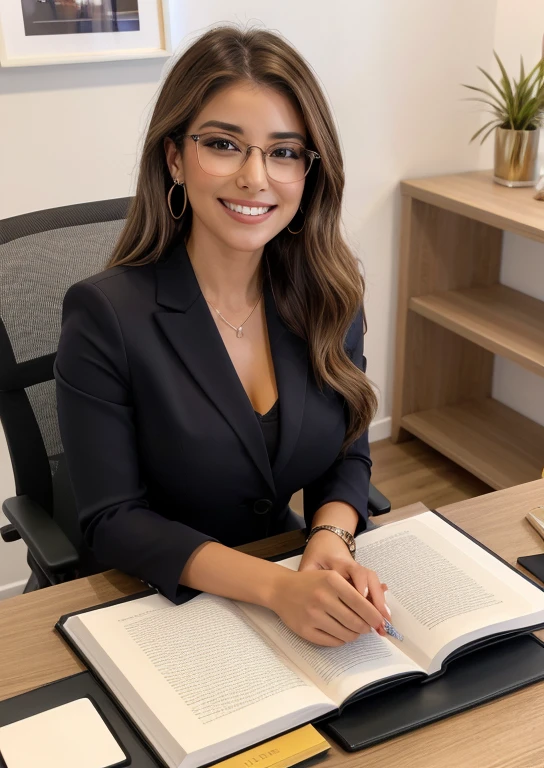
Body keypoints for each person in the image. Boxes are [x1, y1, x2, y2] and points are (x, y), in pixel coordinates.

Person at [55, 24, 389, 648]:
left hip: (290, 578)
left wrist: (330, 537)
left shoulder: (330, 293)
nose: (255, 177)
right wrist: (275, 587)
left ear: (310, 172)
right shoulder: (106, 316)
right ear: (175, 158)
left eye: (285, 151)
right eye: (224, 145)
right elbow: (113, 520)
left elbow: (348, 454)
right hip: (154, 603)